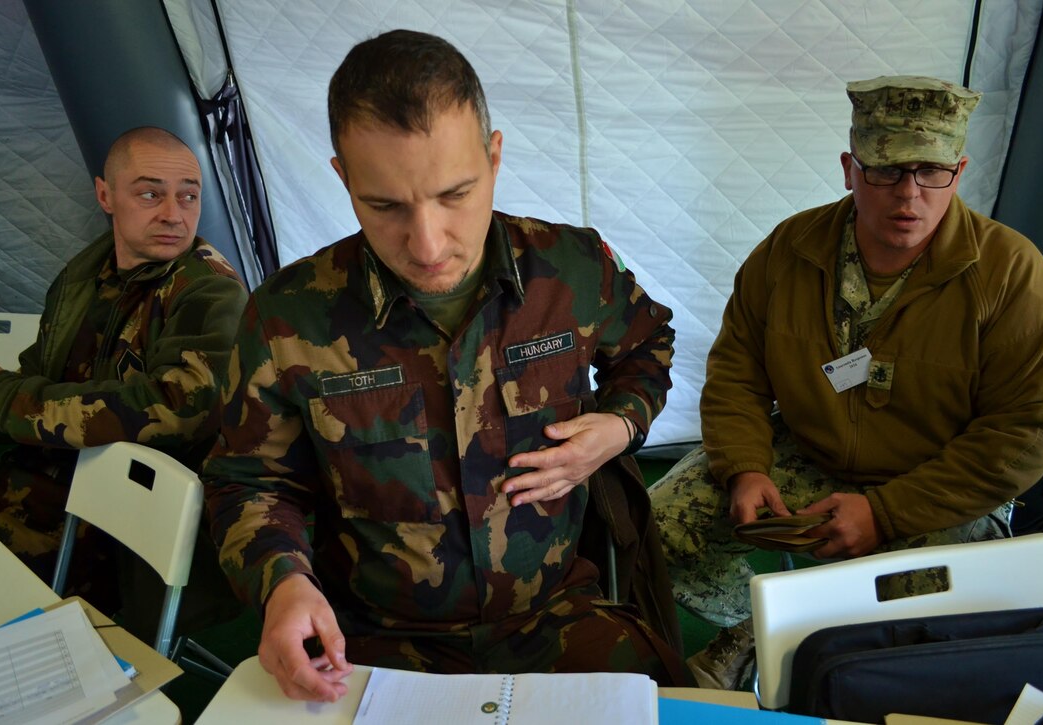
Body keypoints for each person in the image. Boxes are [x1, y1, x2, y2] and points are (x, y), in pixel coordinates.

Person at [201, 29, 686, 702]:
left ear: (493, 158)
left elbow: (649, 347)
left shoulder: (574, 268)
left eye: (455, 194)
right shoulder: (288, 318)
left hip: (553, 619)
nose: (427, 244)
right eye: (385, 206)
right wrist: (282, 581)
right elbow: (248, 480)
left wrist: (619, 425)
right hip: (373, 642)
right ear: (343, 176)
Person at [648, 75, 1043, 688]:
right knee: (656, 527)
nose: (909, 195)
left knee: (935, 599)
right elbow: (737, 371)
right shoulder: (789, 251)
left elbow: (1026, 432)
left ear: (959, 170)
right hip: (806, 453)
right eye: (885, 170)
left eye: (931, 172)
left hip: (939, 482)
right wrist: (746, 466)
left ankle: (763, 644)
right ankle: (759, 624)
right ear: (850, 168)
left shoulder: (1010, 273)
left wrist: (884, 512)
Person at [0, 126, 248, 626]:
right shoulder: (83, 274)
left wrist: (9, 401)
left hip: (131, 516)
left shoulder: (209, 292)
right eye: (151, 193)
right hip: (58, 474)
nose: (174, 214)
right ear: (106, 195)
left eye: (189, 196)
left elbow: (178, 410)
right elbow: (39, 369)